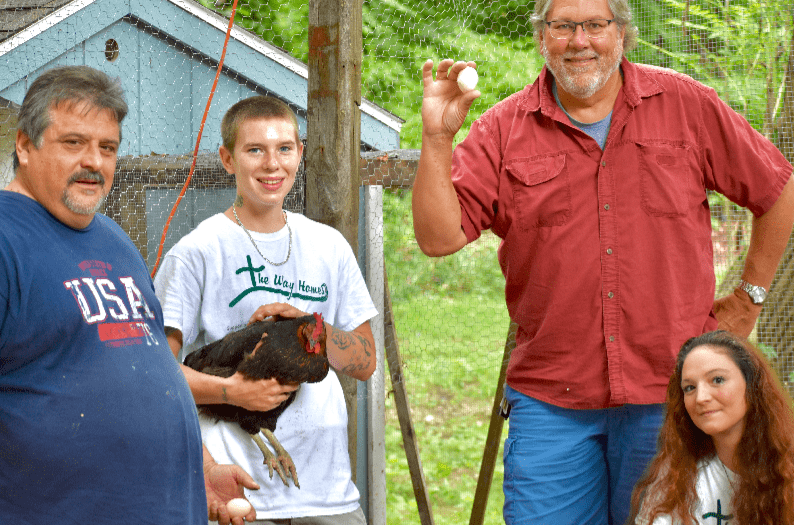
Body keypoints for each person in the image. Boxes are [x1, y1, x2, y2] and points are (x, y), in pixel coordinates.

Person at [411, 0, 794, 522]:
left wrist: (750, 299)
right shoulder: (503, 128)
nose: (579, 40)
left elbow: (778, 190)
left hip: (671, 397)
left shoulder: (686, 104)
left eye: (596, 25)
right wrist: (437, 137)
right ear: (542, 37)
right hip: (552, 400)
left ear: (622, 34)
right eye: (563, 26)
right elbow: (438, 237)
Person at [0, 65, 252, 523]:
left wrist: (202, 469)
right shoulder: (5, 238)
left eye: (107, 148)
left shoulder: (113, 239)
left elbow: (151, 366)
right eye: (73, 143)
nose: (94, 162)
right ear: (24, 145)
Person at [153, 95, 377, 525]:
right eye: (255, 150)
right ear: (227, 159)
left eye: (284, 149)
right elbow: (158, 374)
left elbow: (365, 362)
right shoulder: (197, 252)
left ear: (300, 154)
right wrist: (233, 392)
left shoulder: (329, 246)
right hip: (237, 490)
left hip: (327, 490)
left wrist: (314, 328)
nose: (272, 164)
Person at [629, 330, 794, 524]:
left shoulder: (787, 467)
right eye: (690, 388)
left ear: (752, 386)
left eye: (717, 380)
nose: (701, 398)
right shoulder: (676, 476)